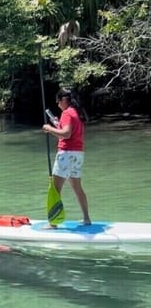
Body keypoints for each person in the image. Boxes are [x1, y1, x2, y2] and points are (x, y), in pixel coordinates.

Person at [42, 88, 91, 225]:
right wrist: (57, 125)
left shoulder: (67, 113)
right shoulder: (77, 113)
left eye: (58, 101)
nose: (58, 105)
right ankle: (86, 219)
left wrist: (49, 128)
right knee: (77, 188)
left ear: (64, 100)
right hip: (78, 155)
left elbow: (66, 134)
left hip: (66, 154)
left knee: (55, 189)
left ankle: (53, 223)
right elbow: (69, 132)